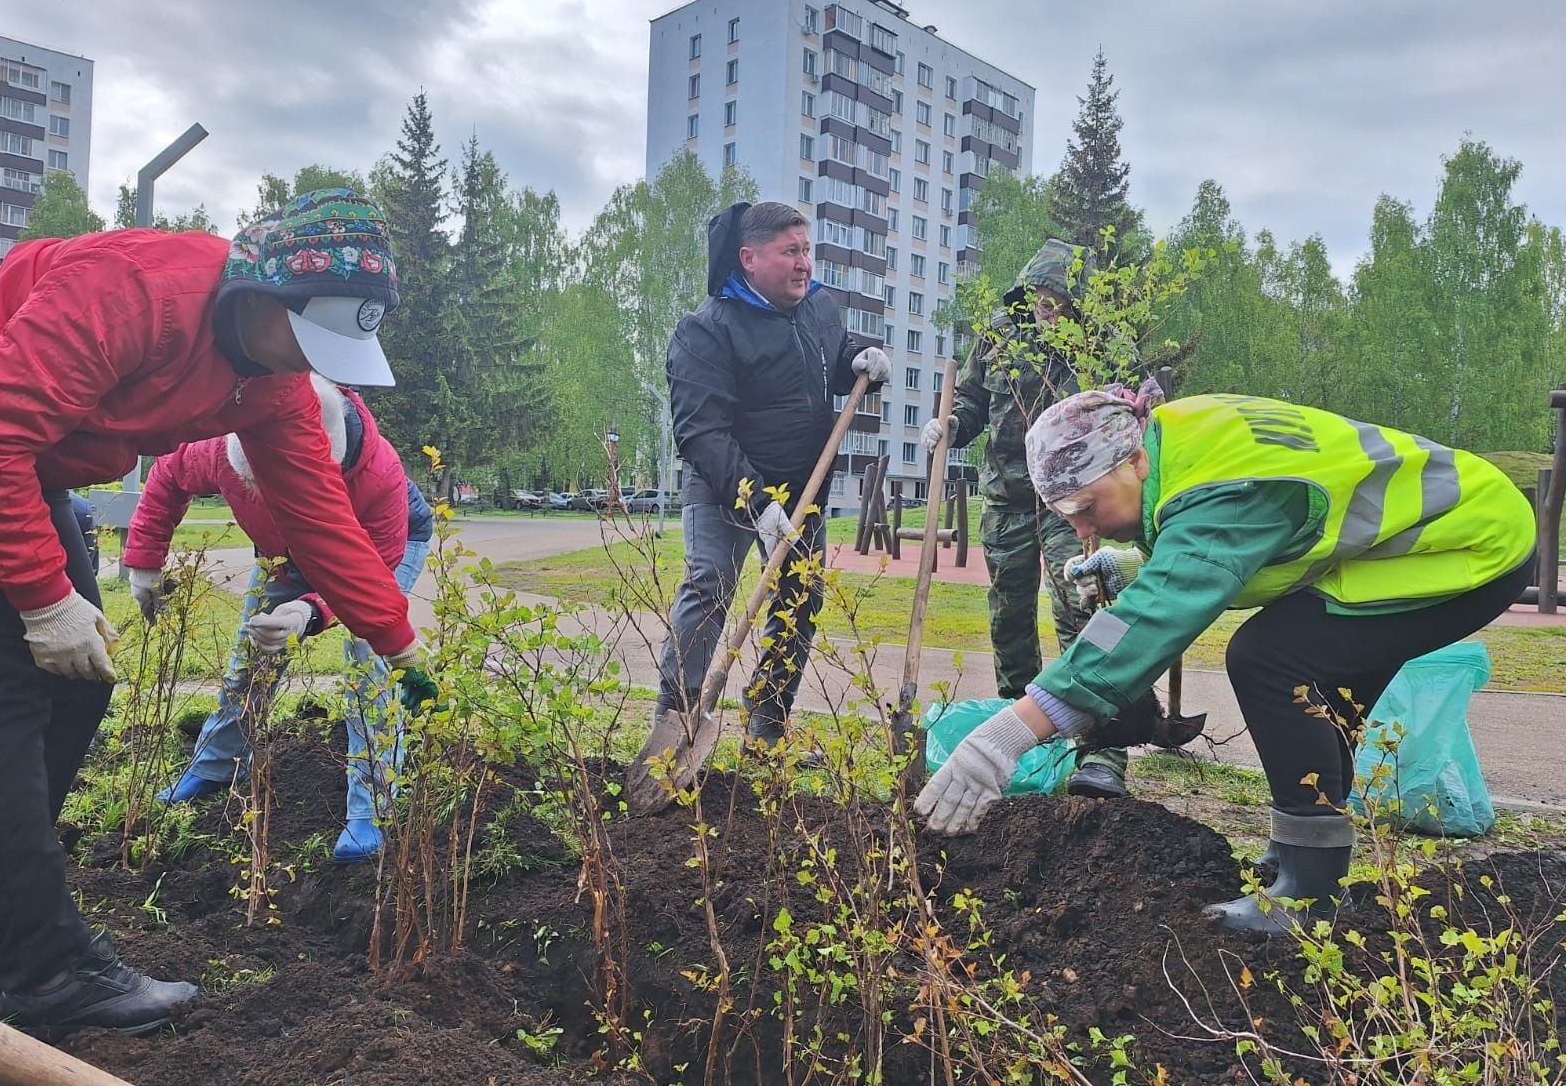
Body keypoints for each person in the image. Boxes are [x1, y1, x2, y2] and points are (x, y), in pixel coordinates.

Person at [0, 189, 431, 1033]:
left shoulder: (272, 382)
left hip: (26, 468)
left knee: (76, 690)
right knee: (2, 699)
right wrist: (42, 599)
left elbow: (322, 520)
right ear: (258, 297)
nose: (311, 364)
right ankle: (43, 970)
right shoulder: (132, 292)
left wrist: (398, 646)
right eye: (307, 339)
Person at [915, 387, 1535, 934]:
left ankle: (1308, 893)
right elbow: (1216, 538)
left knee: (1270, 659)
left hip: (1469, 548)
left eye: (1085, 508)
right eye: (1067, 517)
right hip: (1455, 526)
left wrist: (1008, 734)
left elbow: (1161, 610)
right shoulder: (1173, 434)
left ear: (1133, 461)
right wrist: (1140, 564)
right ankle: (1308, 857)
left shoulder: (1225, 489)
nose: (1082, 531)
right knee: (1320, 694)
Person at [125, 374, 434, 863]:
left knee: (366, 666)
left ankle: (372, 806)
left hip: (378, 556)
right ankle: (215, 765)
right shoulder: (221, 446)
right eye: (254, 485)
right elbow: (167, 475)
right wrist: (143, 561)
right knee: (250, 658)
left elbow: (371, 586)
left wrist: (309, 611)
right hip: (281, 555)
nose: (264, 494)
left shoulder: (379, 477)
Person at [658, 201, 890, 753]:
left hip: (803, 486)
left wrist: (862, 358)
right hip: (725, 487)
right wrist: (758, 504)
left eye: (807, 250)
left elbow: (835, 359)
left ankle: (767, 722)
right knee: (710, 586)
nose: (804, 263)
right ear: (750, 258)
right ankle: (677, 715)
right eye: (790, 251)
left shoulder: (817, 307)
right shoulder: (706, 330)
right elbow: (701, 434)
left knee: (800, 598)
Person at [923, 239, 1132, 798]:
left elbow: (1121, 415)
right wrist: (950, 427)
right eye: (1040, 297)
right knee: (1009, 620)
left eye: (1058, 300)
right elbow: (969, 401)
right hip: (1009, 499)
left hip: (1073, 503)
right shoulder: (999, 335)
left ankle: (1102, 752)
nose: (1048, 308)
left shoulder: (1095, 343)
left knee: (1082, 617)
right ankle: (1028, 743)